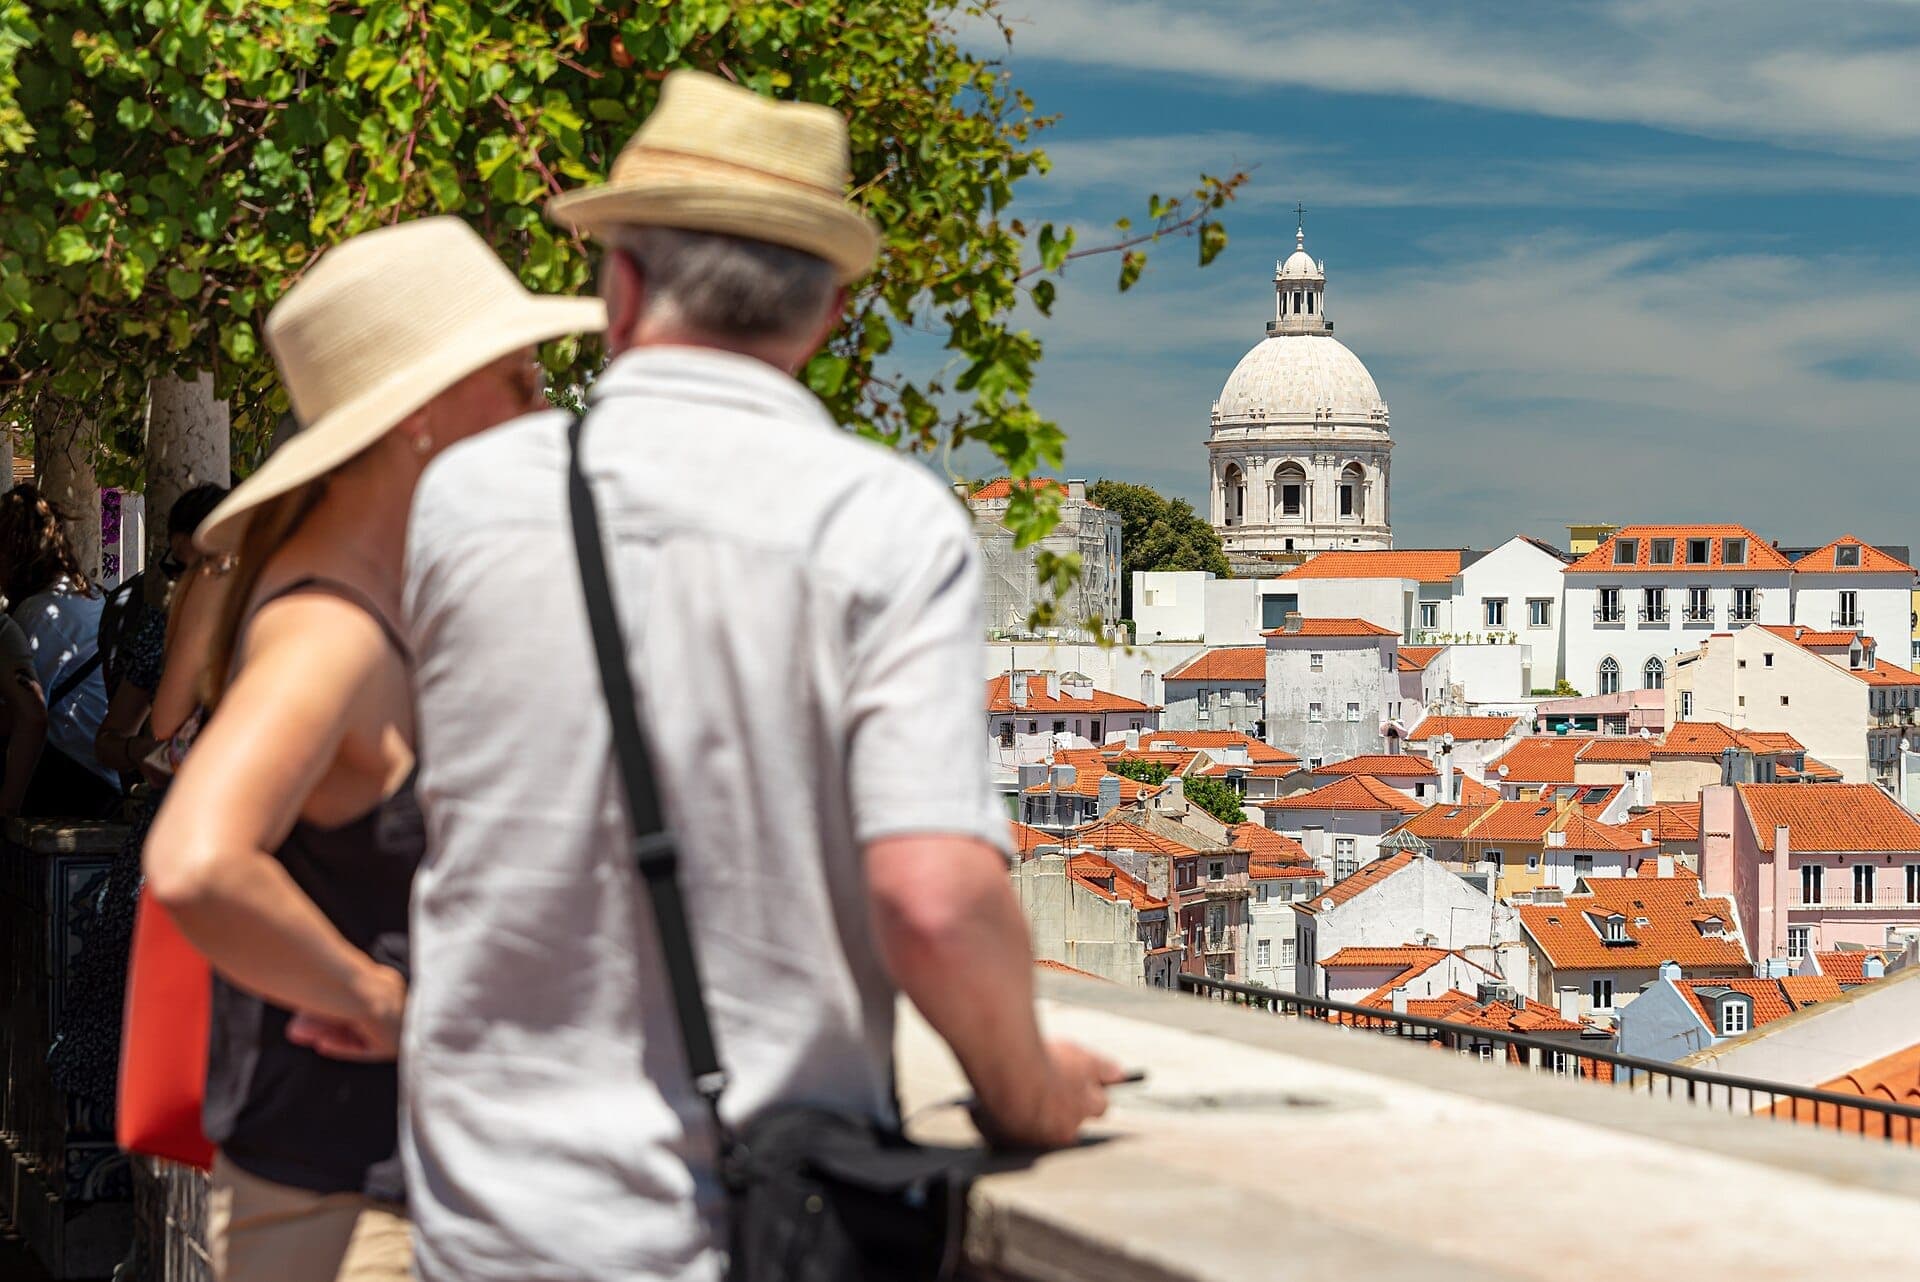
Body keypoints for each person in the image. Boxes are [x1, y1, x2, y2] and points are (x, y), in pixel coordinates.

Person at [394, 70, 1122, 1282]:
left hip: (487, 1222)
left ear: (619, 284)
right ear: (831, 307)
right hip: (750, 1226)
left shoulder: (466, 500)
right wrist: (1032, 1091)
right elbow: (933, 898)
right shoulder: (882, 520)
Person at [142, 217, 604, 1282]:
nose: (545, 412)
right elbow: (198, 859)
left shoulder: (350, 599)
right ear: (421, 415)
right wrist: (381, 1001)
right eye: (522, 381)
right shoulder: (331, 627)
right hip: (351, 1212)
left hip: (360, 1190)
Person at [95, 483, 232, 780]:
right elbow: (112, 739)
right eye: (178, 569)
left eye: (208, 567)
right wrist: (138, 751)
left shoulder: (270, 626)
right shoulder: (160, 626)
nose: (192, 583)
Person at [0, 485, 120, 817]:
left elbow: (23, 715)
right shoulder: (90, 595)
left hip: (78, 783)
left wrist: (7, 809)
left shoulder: (38, 614)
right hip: (105, 778)